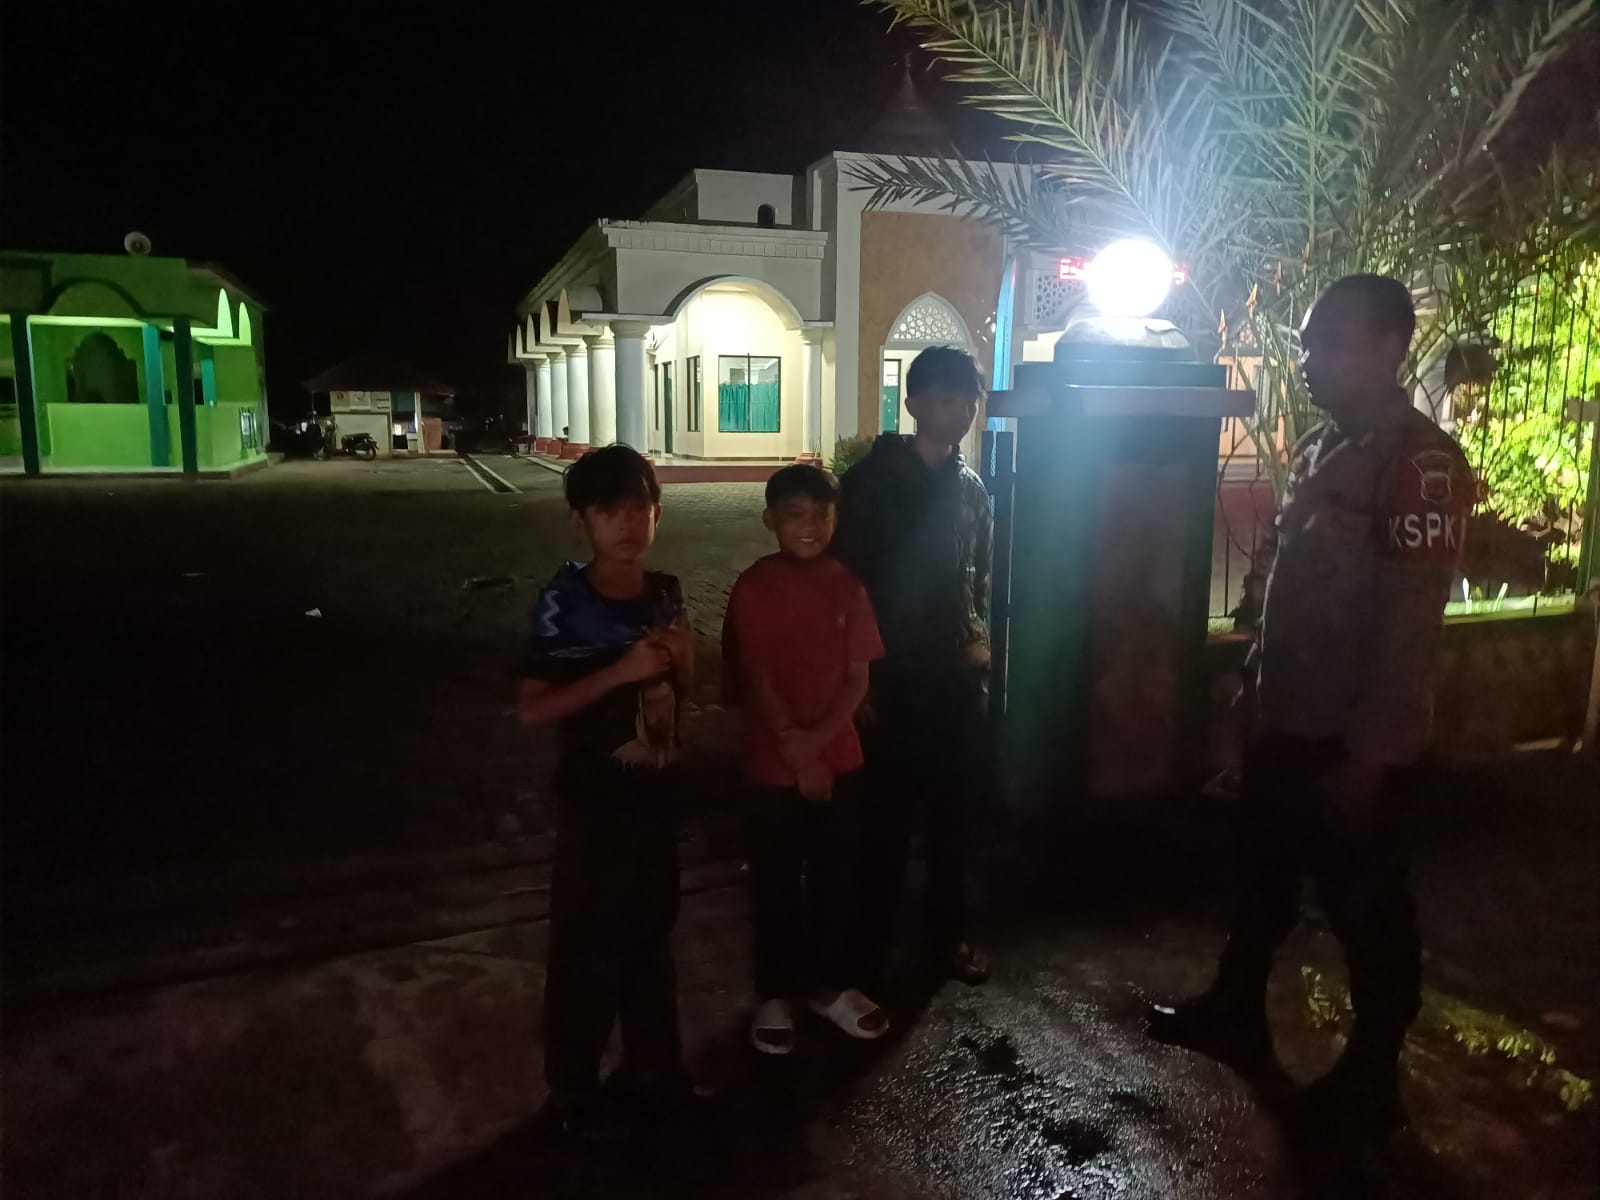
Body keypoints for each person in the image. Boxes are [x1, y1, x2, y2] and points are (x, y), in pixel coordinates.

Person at [1148, 275, 1474, 1144]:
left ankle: (1373, 1073)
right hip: (1288, 719)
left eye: (1329, 341)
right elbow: (1287, 590)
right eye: (1305, 341)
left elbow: (1408, 631)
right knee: (1261, 878)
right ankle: (1236, 1009)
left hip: (1351, 740)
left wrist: (1372, 757)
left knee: (1369, 908)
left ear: (1390, 348)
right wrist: (1250, 692)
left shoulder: (1420, 466)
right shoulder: (1325, 450)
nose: (1307, 359)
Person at [516, 444, 697, 1138]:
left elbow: (682, 690)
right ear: (580, 522)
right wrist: (619, 672)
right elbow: (533, 709)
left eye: (638, 508)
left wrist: (685, 661)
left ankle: (655, 1069)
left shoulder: (666, 593)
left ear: (657, 514)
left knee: (651, 939)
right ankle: (573, 1088)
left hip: (658, 795)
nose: (626, 523)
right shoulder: (565, 602)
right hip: (594, 804)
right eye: (607, 510)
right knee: (586, 947)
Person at [833, 344, 994, 988]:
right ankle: (871, 946)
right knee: (885, 820)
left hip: (955, 674)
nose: (960, 412)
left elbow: (980, 576)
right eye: (946, 399)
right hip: (889, 675)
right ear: (914, 404)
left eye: (968, 400)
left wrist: (979, 644)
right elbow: (846, 585)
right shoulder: (870, 485)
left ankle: (947, 935)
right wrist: (857, 680)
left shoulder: (972, 489)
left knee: (955, 815)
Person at [722, 464, 891, 1054]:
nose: (811, 525)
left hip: (839, 757)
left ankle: (828, 986)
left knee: (836, 878)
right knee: (774, 880)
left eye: (822, 514)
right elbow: (758, 676)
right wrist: (796, 748)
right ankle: (774, 991)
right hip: (772, 764)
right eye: (796, 514)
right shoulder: (754, 587)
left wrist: (815, 745)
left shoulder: (848, 586)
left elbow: (857, 677)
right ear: (770, 519)